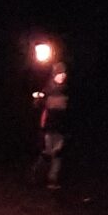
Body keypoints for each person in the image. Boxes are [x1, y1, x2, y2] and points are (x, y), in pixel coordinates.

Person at [29, 61, 69, 189]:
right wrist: (38, 98)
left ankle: (52, 180)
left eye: (63, 73)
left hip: (61, 128)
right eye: (59, 73)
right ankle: (35, 175)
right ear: (54, 75)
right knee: (47, 154)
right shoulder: (48, 90)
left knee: (58, 154)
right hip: (49, 127)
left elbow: (68, 111)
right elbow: (37, 106)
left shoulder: (66, 90)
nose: (62, 76)